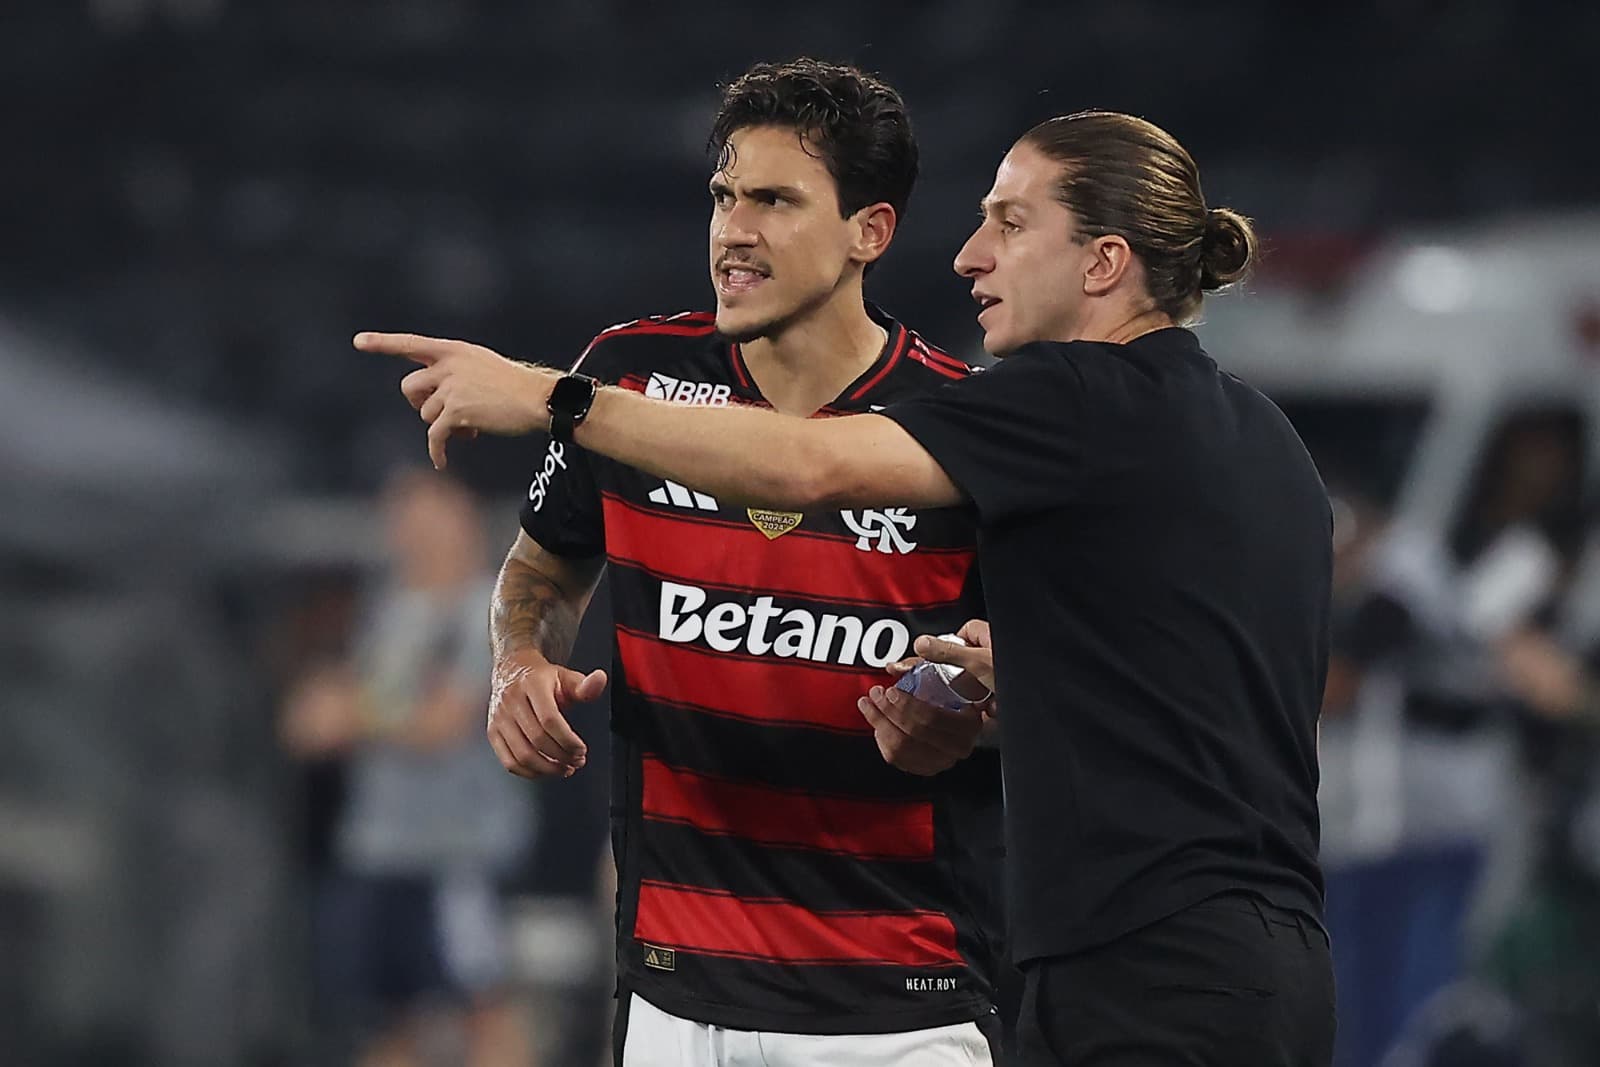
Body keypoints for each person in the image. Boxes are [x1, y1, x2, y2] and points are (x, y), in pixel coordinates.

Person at [360, 109, 1337, 1066]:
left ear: (1101, 262)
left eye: (1009, 221)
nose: (971, 254)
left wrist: (550, 397)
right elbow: (1151, 681)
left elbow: (802, 468)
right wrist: (973, 692)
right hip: (1256, 952)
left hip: (1115, 965)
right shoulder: (1264, 438)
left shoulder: (1066, 401)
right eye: (723, 196)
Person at [445, 60, 1008, 1065]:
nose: (732, 230)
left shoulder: (961, 423)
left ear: (868, 233)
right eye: (723, 195)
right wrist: (519, 659)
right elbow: (541, 569)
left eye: (775, 200)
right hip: (677, 994)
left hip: (898, 1007)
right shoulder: (630, 376)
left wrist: (962, 701)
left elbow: (1021, 673)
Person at [280, 468, 534, 1067]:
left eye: (424, 513)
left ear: (461, 517)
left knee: (483, 1010)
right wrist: (340, 707)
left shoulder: (492, 611)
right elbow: (318, 711)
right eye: (400, 516)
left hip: (456, 849)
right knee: (384, 1018)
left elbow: (447, 719)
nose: (410, 531)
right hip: (377, 847)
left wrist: (355, 715)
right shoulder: (386, 611)